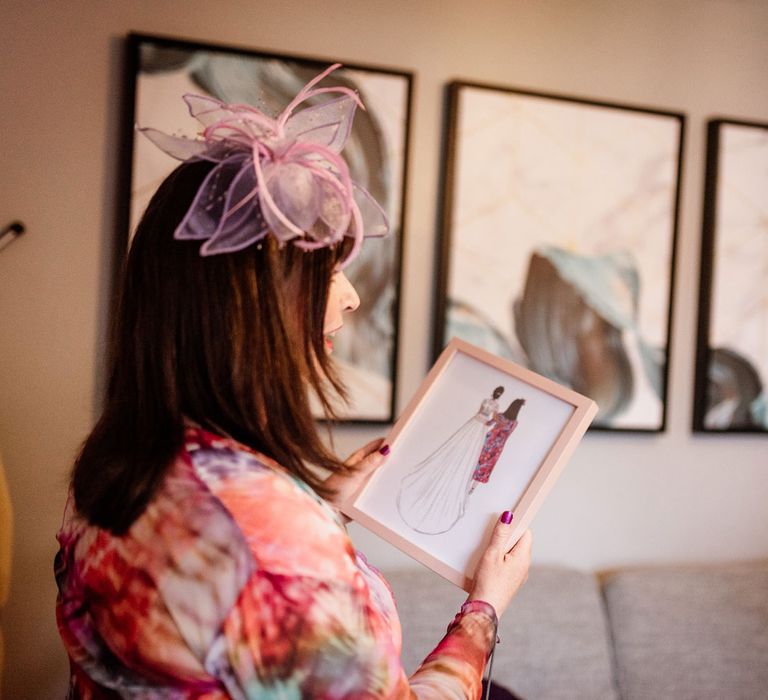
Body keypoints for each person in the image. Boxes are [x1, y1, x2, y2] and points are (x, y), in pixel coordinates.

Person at [55, 65, 532, 698]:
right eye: (329, 274)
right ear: (257, 302)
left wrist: (324, 508)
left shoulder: (115, 465)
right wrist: (483, 610)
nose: (353, 298)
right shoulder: (268, 536)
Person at [396, 386, 505, 535]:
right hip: (478, 424)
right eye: (498, 393)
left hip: (477, 424)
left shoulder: (491, 403)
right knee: (463, 449)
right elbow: (491, 417)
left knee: (468, 452)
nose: (497, 395)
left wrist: (488, 421)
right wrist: (490, 422)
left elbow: (488, 416)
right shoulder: (492, 404)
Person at [469, 399, 525, 494]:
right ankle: (472, 489)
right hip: (498, 447)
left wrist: (493, 414)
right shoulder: (514, 423)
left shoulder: (500, 416)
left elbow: (489, 423)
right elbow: (507, 433)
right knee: (486, 467)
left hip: (489, 441)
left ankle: (467, 482)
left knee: (478, 461)